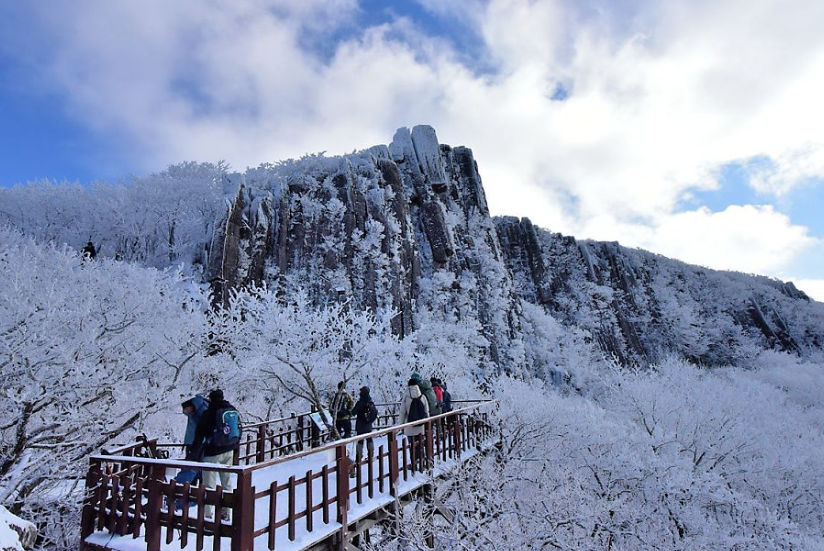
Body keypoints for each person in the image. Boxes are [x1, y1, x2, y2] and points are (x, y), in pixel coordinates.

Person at [193, 389, 240, 520]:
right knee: (227, 483)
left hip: (213, 452)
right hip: (229, 450)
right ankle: (226, 513)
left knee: (209, 484)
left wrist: (193, 453)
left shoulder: (209, 413)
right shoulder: (232, 409)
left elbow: (199, 434)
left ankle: (207, 516)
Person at [399, 378, 430, 472]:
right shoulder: (422, 396)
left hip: (410, 426)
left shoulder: (406, 398)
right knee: (420, 445)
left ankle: (414, 465)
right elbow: (426, 412)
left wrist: (401, 425)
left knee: (412, 446)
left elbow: (402, 412)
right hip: (420, 426)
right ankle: (422, 463)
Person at [351, 386, 376, 462]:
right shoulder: (370, 402)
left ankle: (358, 456)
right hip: (368, 425)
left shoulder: (360, 402)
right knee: (369, 439)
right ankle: (371, 454)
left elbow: (353, 412)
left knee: (360, 441)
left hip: (360, 425)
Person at [181, 395, 210, 460]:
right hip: (196, 441)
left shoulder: (200, 412)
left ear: (190, 406)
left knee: (192, 464)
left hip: (197, 442)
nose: (186, 411)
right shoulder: (197, 409)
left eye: (186, 409)